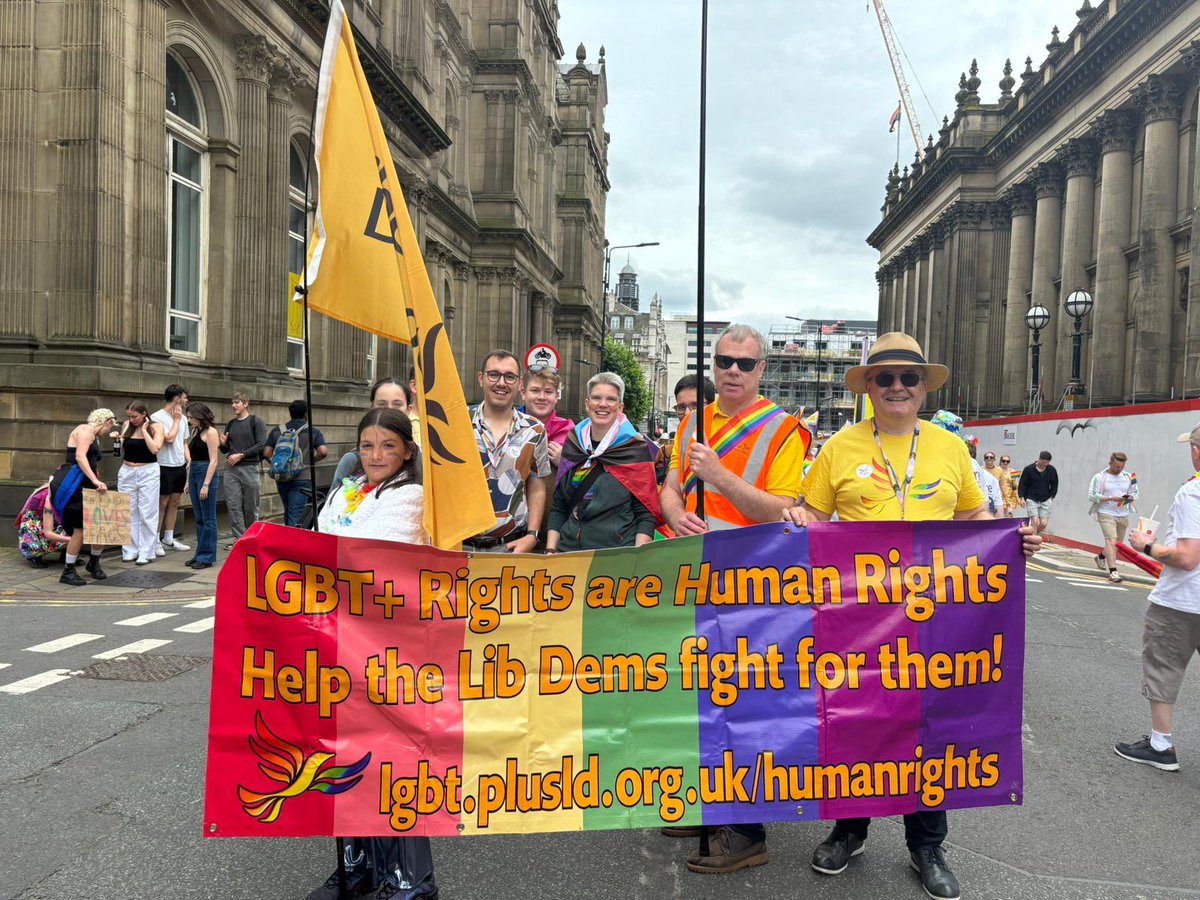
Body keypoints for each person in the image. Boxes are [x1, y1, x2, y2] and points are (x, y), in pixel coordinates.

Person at [783, 332, 1043, 900]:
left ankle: (927, 846)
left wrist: (1012, 541)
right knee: (855, 719)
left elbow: (975, 520)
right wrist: (799, 518)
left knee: (931, 727)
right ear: (869, 387)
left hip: (936, 619)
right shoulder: (839, 448)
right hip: (857, 620)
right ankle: (848, 831)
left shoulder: (950, 449)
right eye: (886, 378)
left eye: (909, 378)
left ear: (924, 387)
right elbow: (813, 518)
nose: (897, 386)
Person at [660, 325, 806, 869]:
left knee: (743, 704)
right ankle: (708, 803)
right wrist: (676, 512)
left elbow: (782, 510)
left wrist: (718, 476)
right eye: (724, 361)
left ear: (761, 368)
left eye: (745, 363)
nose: (733, 371)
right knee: (698, 696)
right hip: (695, 577)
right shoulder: (693, 422)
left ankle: (746, 832)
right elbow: (670, 486)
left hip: (752, 588)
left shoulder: (783, 429)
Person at [307, 407, 438, 900]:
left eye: (387, 446)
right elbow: (321, 539)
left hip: (390, 648)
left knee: (393, 759)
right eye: (366, 446)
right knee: (347, 753)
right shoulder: (350, 489)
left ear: (407, 451)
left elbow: (366, 553)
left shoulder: (412, 496)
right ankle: (358, 864)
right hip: (341, 639)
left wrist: (325, 553)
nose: (375, 455)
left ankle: (409, 879)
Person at [1116, 424, 1200, 773]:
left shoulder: (1192, 492)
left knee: (1163, 667)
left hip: (1183, 601)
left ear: (1197, 450)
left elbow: (1188, 557)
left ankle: (1161, 745)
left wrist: (1147, 546)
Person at [545, 372, 658, 553]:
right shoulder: (573, 443)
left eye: (611, 399)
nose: (603, 404)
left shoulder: (635, 448)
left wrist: (637, 557)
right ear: (587, 403)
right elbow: (559, 506)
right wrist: (550, 550)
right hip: (569, 552)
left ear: (620, 407)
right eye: (596, 398)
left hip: (616, 555)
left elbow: (646, 513)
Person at [464, 350, 549, 553]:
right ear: (481, 378)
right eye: (494, 374)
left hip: (511, 546)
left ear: (519, 383)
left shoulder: (535, 430)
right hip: (460, 545)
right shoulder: (458, 423)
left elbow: (537, 484)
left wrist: (532, 535)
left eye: (509, 376)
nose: (501, 383)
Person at [49, 408, 117, 585]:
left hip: (89, 485)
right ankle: (68, 571)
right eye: (110, 426)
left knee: (99, 526)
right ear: (107, 422)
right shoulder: (86, 430)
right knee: (79, 529)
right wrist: (95, 480)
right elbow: (80, 457)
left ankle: (93, 562)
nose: (109, 431)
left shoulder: (94, 435)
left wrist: (95, 480)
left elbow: (91, 462)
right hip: (75, 486)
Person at [330, 378, 414, 488]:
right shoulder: (352, 460)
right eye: (382, 404)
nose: (389, 410)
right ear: (372, 407)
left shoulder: (425, 461)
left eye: (397, 404)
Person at [265, 399, 329, 527]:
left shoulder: (277, 431)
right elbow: (323, 451)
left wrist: (279, 465)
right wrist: (310, 461)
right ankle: (293, 539)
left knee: (288, 509)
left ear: (290, 413)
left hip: (282, 477)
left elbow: (267, 453)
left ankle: (287, 536)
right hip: (303, 477)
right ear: (305, 414)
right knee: (296, 513)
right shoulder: (313, 431)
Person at [117, 401, 164, 566]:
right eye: (129, 416)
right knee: (127, 511)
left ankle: (146, 551)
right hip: (127, 470)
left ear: (144, 414)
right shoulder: (126, 425)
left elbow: (155, 449)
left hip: (148, 471)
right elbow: (121, 449)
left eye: (135, 416)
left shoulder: (156, 427)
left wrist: (144, 431)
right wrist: (118, 438)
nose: (131, 420)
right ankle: (130, 550)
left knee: (147, 511)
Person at [219, 391, 268, 548]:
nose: (233, 405)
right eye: (232, 403)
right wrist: (223, 443)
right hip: (231, 469)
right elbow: (225, 450)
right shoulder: (231, 424)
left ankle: (252, 538)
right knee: (233, 505)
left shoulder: (255, 421)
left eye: (237, 402)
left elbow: (261, 444)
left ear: (245, 404)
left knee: (250, 506)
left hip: (250, 468)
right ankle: (239, 540)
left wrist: (241, 455)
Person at [152, 384, 191, 555]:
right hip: (163, 465)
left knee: (175, 501)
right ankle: (155, 540)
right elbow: (168, 439)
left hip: (179, 465)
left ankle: (168, 538)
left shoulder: (183, 418)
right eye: (184, 397)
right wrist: (176, 420)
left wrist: (188, 457)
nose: (186, 400)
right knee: (162, 503)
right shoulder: (157, 417)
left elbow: (183, 441)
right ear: (177, 399)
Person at [1089, 452, 1137, 584]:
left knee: (1117, 545)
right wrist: (1111, 498)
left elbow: (1135, 492)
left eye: (1121, 466)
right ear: (1110, 463)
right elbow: (1092, 495)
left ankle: (1101, 557)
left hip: (1122, 513)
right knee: (1111, 541)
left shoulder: (1130, 476)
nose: (1119, 469)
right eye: (1116, 466)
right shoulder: (1100, 477)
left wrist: (1131, 497)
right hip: (1105, 512)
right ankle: (1113, 572)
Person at [185, 401, 221, 569]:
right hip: (194, 472)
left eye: (191, 417)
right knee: (199, 517)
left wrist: (206, 485)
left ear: (200, 416)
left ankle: (207, 557)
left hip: (206, 473)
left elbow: (214, 460)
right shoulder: (195, 431)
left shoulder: (211, 432)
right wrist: (187, 481)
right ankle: (199, 553)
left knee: (208, 518)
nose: (189, 420)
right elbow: (191, 460)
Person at [520, 365, 574, 473]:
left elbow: (581, 475)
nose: (542, 397)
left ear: (557, 396)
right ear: (523, 393)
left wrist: (565, 463)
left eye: (548, 392)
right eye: (535, 390)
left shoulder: (569, 432)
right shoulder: (508, 425)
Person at [15, 481, 69, 567]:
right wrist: (73, 540)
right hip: (35, 526)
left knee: (75, 525)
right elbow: (48, 533)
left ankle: (67, 555)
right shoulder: (49, 497)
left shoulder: (58, 491)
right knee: (74, 530)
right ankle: (34, 555)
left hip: (51, 520)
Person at [1018, 450, 1058, 537]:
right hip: (1031, 498)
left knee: (1043, 524)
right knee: (1035, 521)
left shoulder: (1051, 470)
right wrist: (1021, 497)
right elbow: (1022, 484)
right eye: (1043, 462)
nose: (1045, 464)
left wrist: (1052, 496)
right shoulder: (1028, 469)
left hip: (1045, 499)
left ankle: (1033, 532)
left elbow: (1055, 484)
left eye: (1047, 463)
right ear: (1039, 459)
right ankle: (1033, 539)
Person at [964, 439, 1002, 516]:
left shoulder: (997, 472)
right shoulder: (980, 470)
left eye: (991, 457)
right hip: (982, 508)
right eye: (987, 457)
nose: (989, 459)